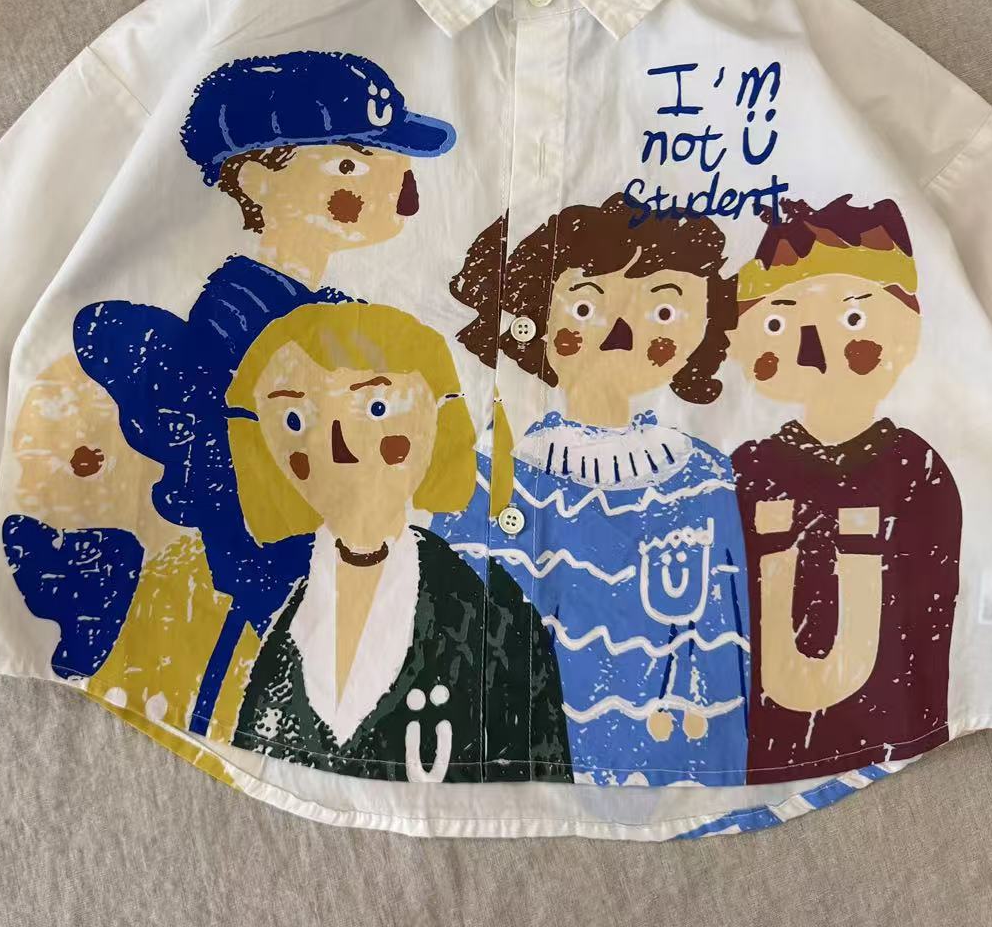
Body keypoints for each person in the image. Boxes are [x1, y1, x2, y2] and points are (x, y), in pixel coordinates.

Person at [74, 50, 457, 730]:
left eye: (388, 161)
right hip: (277, 599)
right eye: (350, 165)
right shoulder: (242, 325)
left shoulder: (324, 313)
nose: (390, 184)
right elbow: (247, 491)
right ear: (257, 181)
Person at [434, 194, 750, 785]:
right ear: (538, 315)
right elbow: (446, 621)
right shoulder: (489, 469)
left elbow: (725, 634)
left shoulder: (704, 478)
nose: (621, 331)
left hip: (672, 760)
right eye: (585, 305)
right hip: (501, 756)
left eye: (663, 310)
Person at [227, 301, 571, 782]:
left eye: (377, 408)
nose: (338, 446)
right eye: (296, 419)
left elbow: (541, 779)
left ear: (439, 421)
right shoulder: (271, 630)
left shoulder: (496, 619)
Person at [730, 196, 962, 780]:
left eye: (852, 318)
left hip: (891, 740)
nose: (813, 348)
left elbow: (930, 621)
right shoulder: (747, 469)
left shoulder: (916, 470)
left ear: (906, 329)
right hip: (759, 744)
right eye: (779, 322)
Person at [1, 354, 256, 786]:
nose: (29, 495)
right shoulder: (88, 579)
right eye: (27, 467)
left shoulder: (205, 582)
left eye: (83, 462)